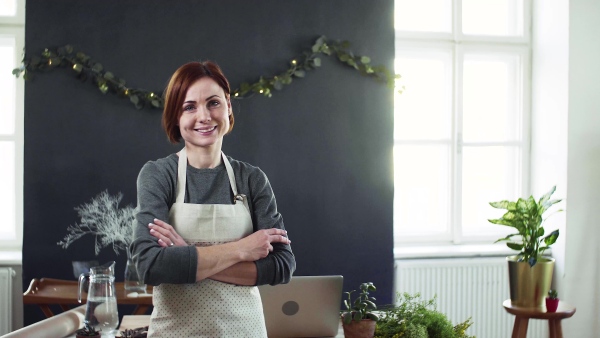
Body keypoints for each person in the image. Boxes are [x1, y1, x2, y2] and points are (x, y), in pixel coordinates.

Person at [130, 61, 296, 337]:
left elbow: (281, 266)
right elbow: (150, 265)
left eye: (213, 103)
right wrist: (241, 249)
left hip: (245, 332)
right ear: (176, 117)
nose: (204, 116)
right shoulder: (159, 175)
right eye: (189, 107)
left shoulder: (252, 179)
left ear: (228, 107)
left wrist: (186, 254)